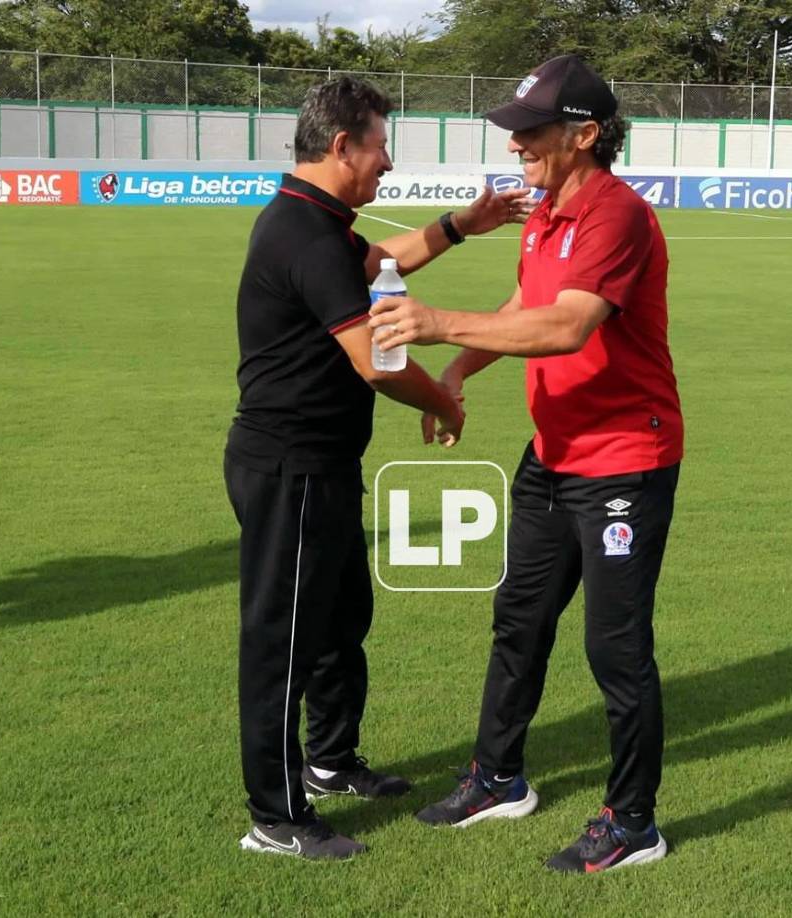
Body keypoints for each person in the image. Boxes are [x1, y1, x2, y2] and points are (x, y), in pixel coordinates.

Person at [369, 54, 684, 874]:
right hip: (552, 456)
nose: (515, 146)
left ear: (584, 134)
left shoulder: (616, 215)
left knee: (615, 649)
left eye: (531, 131)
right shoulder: (545, 214)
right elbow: (523, 307)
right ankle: (497, 778)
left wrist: (435, 323)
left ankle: (632, 824)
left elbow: (566, 326)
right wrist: (456, 371)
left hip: (623, 462)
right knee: (518, 619)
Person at [225, 76, 531, 862]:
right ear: (341, 146)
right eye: (379, 146)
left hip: (320, 465)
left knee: (337, 623)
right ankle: (275, 817)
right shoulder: (303, 234)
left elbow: (381, 261)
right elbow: (376, 361)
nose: (387, 163)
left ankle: (329, 761)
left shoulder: (319, 224)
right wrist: (446, 401)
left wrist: (460, 226)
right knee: (283, 640)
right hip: (288, 468)